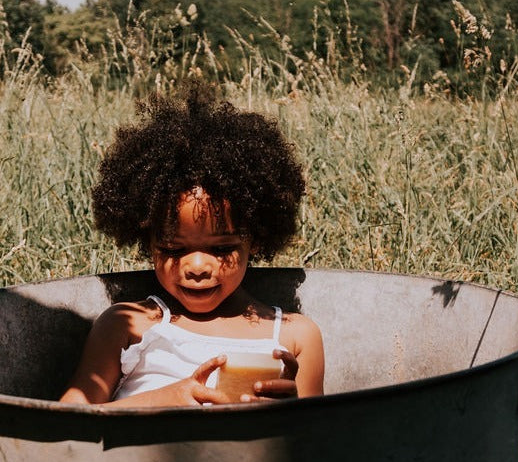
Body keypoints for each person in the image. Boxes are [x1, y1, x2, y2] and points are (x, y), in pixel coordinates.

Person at [59, 82, 325, 407]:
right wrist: (170, 398)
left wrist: (290, 412)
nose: (196, 267)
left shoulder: (295, 337)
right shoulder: (127, 324)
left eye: (221, 248)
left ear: (253, 239)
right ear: (149, 240)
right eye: (173, 249)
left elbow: (315, 442)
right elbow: (69, 421)